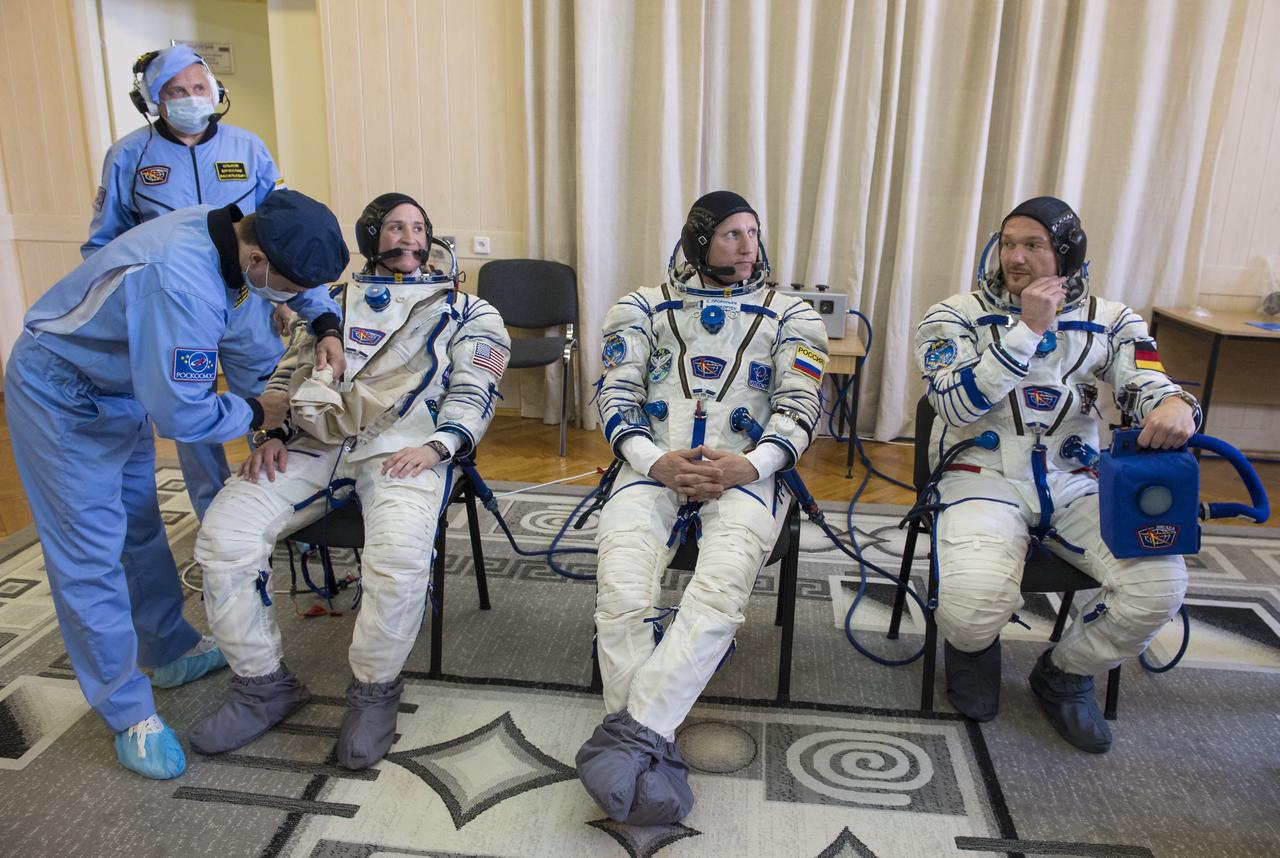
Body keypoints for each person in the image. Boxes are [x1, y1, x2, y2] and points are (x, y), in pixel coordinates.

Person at [5, 190, 350, 779]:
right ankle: (126, 710)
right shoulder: (181, 284)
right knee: (88, 553)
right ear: (259, 260)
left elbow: (254, 338)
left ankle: (165, 649)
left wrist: (325, 325)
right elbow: (183, 415)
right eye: (290, 289)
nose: (289, 303)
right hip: (61, 394)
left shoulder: (235, 245)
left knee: (139, 526)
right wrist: (260, 416)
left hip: (121, 389)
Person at [190, 193, 511, 771]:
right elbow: (287, 376)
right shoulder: (328, 301)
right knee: (224, 537)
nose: (408, 238)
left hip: (406, 448)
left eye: (418, 226)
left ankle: (373, 691)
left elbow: (476, 388)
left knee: (397, 556)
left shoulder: (468, 309)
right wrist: (271, 436)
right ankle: (262, 684)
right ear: (369, 237)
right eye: (393, 226)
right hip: (313, 443)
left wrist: (440, 445)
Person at [576, 191, 829, 824]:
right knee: (623, 586)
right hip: (651, 466)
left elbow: (801, 406)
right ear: (698, 242)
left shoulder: (792, 314)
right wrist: (652, 458)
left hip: (744, 470)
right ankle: (645, 741)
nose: (748, 247)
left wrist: (754, 463)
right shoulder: (639, 308)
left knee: (718, 592)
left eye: (752, 234)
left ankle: (629, 737)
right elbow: (614, 397)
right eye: (731, 236)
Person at [914, 196, 1196, 753]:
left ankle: (1064, 672)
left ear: (1067, 255)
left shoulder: (1112, 320)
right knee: (971, 604)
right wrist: (1026, 329)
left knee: (1159, 587)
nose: (1014, 258)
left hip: (1076, 480)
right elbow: (953, 405)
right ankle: (973, 651)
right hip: (980, 475)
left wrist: (1173, 405)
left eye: (1033, 246)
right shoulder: (954, 316)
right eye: (1008, 243)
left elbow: (1147, 379)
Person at [83, 43, 342, 520]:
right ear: (152, 101)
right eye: (176, 91)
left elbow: (291, 241)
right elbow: (103, 248)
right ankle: (212, 516)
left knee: (273, 403)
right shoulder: (128, 156)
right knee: (191, 416)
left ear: (215, 91)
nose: (190, 98)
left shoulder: (248, 148)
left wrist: (320, 316)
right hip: (172, 309)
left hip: (246, 305)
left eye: (198, 88)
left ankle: (278, 507)